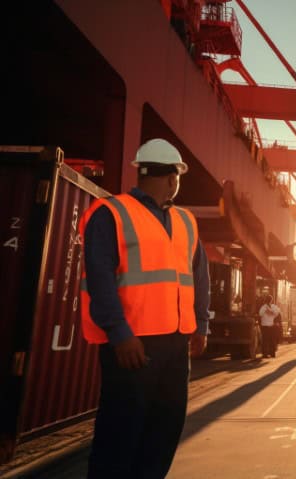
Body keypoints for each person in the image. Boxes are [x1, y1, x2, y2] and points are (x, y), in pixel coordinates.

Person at [79, 138, 210, 478]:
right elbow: (99, 277)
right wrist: (120, 334)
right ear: (171, 178)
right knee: (119, 439)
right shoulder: (111, 214)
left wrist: (200, 327)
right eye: (178, 177)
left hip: (175, 344)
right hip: (131, 348)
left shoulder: (186, 221)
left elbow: (199, 277)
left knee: (163, 432)